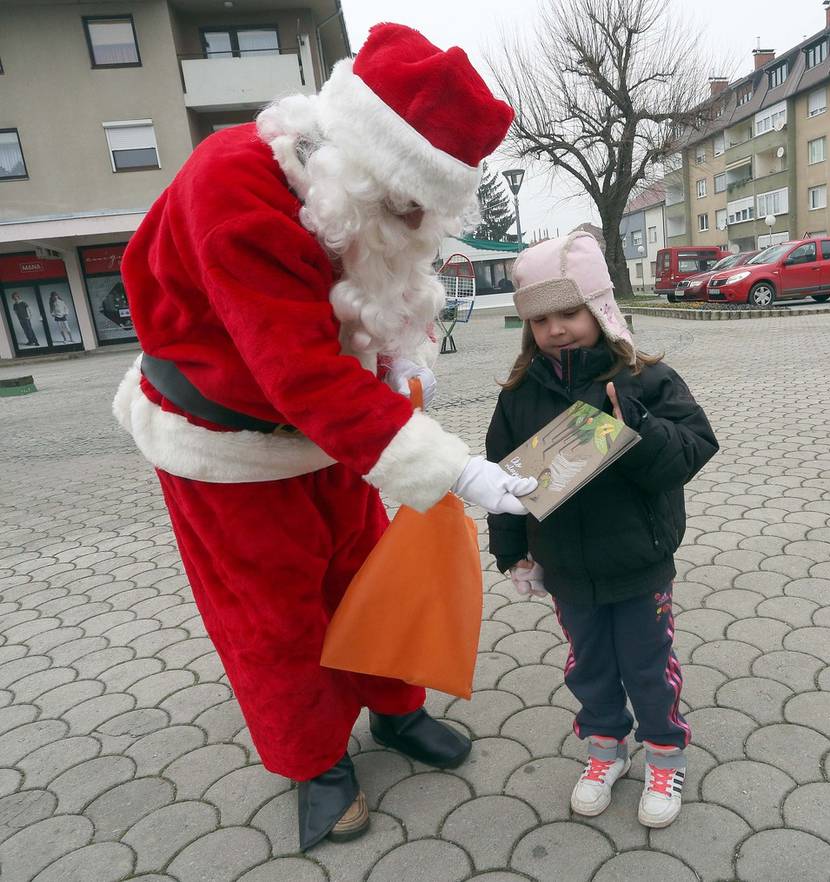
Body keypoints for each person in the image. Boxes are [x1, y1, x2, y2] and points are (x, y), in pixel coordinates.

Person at [112, 23, 535, 851]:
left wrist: (398, 371)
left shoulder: (349, 201)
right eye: (410, 204)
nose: (418, 224)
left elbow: (364, 312)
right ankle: (315, 763)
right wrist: (452, 469)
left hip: (330, 436)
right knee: (275, 618)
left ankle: (395, 710)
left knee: (366, 575)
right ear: (367, 163)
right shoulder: (234, 184)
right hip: (223, 443)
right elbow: (298, 371)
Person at [485, 232, 718, 829]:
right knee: (588, 665)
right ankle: (604, 749)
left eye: (569, 312)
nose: (556, 329)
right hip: (565, 567)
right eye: (540, 319)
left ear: (599, 307)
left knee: (646, 662)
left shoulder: (645, 377)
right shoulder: (519, 394)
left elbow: (694, 448)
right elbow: (503, 481)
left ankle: (665, 754)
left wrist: (633, 428)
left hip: (639, 563)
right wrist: (513, 553)